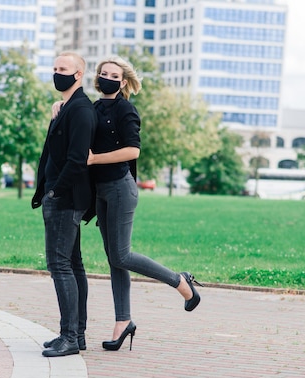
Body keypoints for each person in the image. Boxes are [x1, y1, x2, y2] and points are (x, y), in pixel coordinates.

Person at [53, 56, 203, 352]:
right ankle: (124, 322)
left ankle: (180, 281)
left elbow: (133, 150)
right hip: (100, 192)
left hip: (121, 188)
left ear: (123, 82)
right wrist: (59, 108)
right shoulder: (94, 108)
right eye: (102, 73)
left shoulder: (125, 109)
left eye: (113, 75)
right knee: (114, 258)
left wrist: (95, 159)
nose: (105, 77)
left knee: (121, 255)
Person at [31, 52, 98, 357]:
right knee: (73, 265)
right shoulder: (68, 108)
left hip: (65, 200)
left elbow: (76, 161)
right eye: (55, 68)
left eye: (64, 69)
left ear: (79, 74)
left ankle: (69, 336)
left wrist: (54, 193)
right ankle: (77, 334)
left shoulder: (81, 110)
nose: (57, 73)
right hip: (62, 198)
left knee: (60, 266)